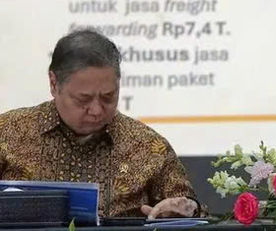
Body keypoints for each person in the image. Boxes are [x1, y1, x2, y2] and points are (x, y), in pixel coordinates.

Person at [0, 29, 201, 219]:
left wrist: (187, 208)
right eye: (83, 99)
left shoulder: (148, 146)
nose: (96, 110)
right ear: (54, 84)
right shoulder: (8, 133)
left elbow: (190, 209)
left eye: (108, 97)